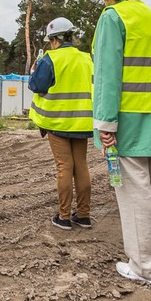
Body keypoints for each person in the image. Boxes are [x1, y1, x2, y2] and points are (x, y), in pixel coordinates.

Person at [92, 0, 151, 289]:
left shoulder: (113, 18)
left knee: (133, 190)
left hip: (126, 115)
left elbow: (107, 76)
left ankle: (147, 267)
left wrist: (105, 122)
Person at [27, 17, 94, 231]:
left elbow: (37, 85)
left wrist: (33, 72)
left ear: (54, 40)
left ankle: (64, 216)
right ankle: (83, 215)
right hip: (82, 122)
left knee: (64, 167)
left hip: (58, 122)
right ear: (70, 37)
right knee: (81, 166)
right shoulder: (87, 58)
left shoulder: (50, 59)